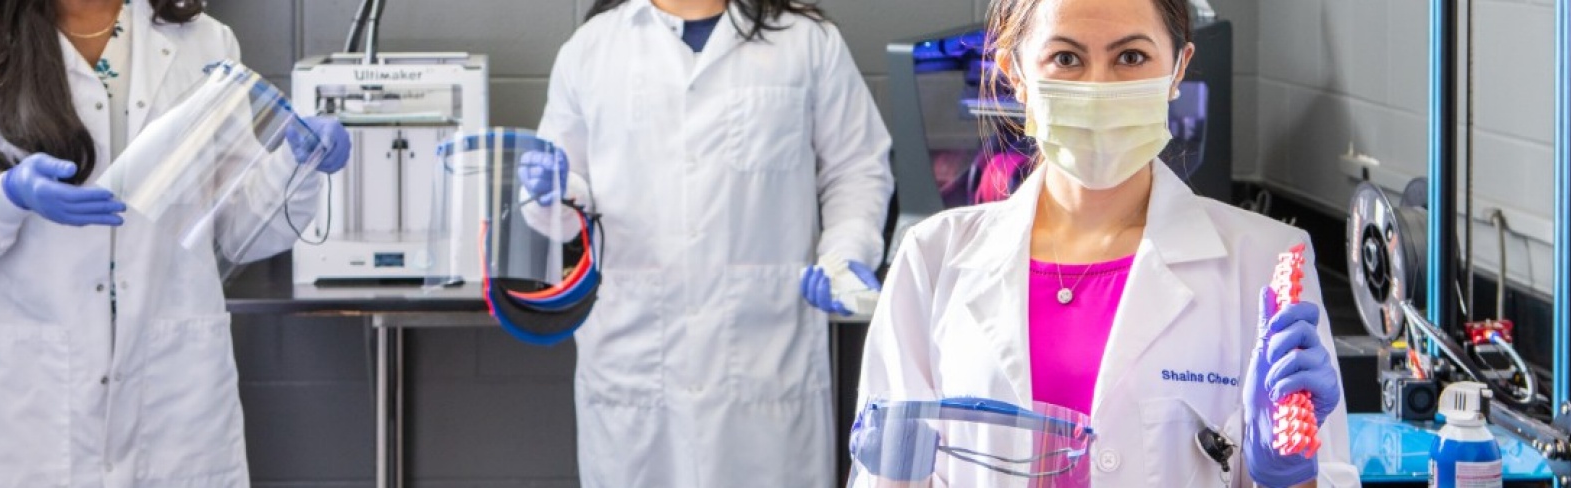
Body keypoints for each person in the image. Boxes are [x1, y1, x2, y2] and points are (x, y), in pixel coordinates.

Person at [852, 0, 1357, 486]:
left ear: (1178, 69)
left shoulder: (1265, 265)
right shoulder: (934, 260)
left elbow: (1324, 478)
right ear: (1015, 73)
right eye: (1066, 58)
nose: (1098, 87)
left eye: (1131, 57)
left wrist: (1289, 476)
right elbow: (887, 480)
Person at [0, 0, 351, 485]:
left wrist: (295, 165)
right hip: (18, 407)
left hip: (170, 400)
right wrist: (6, 199)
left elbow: (239, 231)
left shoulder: (202, 40)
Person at [525, 0, 894, 485]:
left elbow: (857, 169)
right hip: (633, 367)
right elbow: (565, 205)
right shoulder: (592, 49)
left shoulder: (806, 42)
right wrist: (550, 193)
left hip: (766, 365)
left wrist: (845, 254)